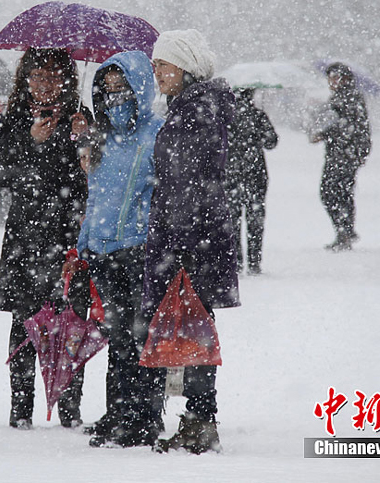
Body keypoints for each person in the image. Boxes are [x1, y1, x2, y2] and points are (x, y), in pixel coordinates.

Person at [143, 29, 240, 454]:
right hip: (198, 236)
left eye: (164, 65)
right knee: (194, 329)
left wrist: (176, 246)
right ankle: (199, 418)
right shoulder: (191, 107)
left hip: (191, 241)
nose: (157, 72)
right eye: (155, 65)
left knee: (195, 329)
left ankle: (201, 421)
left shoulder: (196, 111)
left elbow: (187, 185)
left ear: (185, 69)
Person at [63, 51, 165, 448]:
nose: (115, 98)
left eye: (122, 88)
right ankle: (119, 412)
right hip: (103, 252)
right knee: (118, 336)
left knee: (141, 337)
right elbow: (95, 197)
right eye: (106, 90)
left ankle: (144, 418)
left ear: (139, 89)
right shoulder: (100, 137)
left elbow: (160, 192)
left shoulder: (156, 133)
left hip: (139, 249)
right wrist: (84, 242)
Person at [0, 47, 89, 430]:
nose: (45, 83)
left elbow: (91, 176)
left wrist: (86, 141)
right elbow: (0, 174)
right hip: (26, 236)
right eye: (37, 75)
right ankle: (20, 409)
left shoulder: (80, 118)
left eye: (52, 76)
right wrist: (30, 142)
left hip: (69, 234)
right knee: (24, 321)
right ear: (25, 79)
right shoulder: (13, 118)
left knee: (71, 322)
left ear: (66, 80)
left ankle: (70, 408)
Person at [309, 62, 372, 251]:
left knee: (331, 191)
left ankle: (344, 231)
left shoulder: (348, 98)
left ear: (344, 79)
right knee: (341, 192)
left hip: (344, 154)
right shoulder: (344, 97)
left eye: (334, 78)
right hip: (345, 153)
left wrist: (326, 133)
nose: (331, 82)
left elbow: (347, 128)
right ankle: (345, 230)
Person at [225, 87, 279, 275]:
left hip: (230, 175)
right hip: (255, 175)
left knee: (233, 220)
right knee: (255, 219)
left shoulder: (225, 117)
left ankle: (237, 262)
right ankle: (254, 262)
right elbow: (272, 142)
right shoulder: (258, 115)